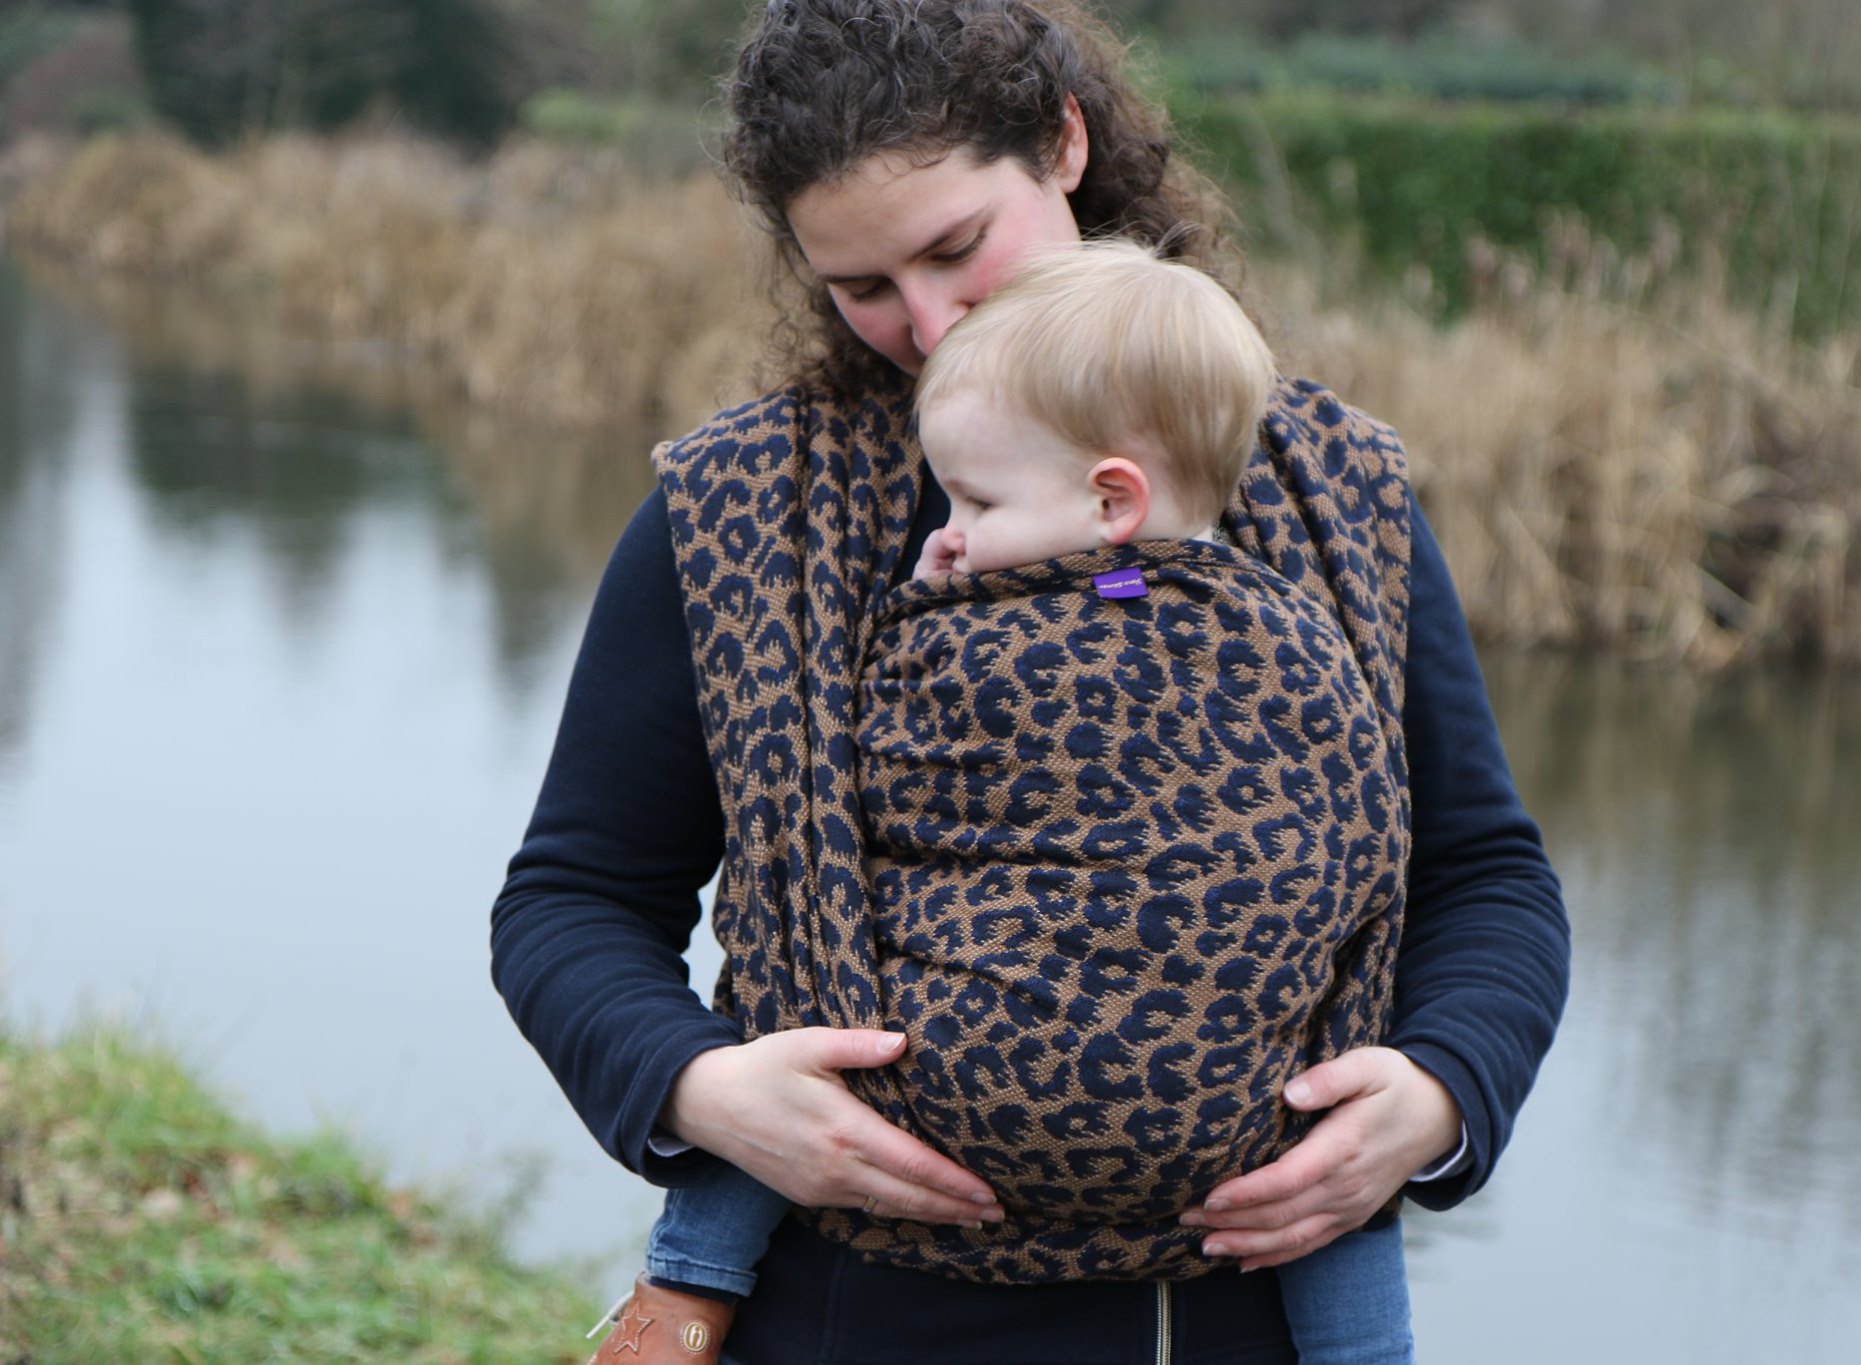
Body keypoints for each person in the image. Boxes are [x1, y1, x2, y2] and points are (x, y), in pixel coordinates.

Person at [490, 3, 1570, 1362]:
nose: (926, 320)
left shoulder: (1324, 487)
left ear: (1063, 143)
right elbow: (572, 900)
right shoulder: (739, 511)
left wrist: (1441, 1089)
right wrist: (698, 1086)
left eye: (955, 248)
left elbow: (1483, 874)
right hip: (854, 1318)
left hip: (1243, 1317)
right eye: (861, 285)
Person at [619, 238, 1433, 1362]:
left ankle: (686, 1285)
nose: (945, 534)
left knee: (789, 980)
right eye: (861, 285)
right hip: (1221, 1143)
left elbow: (838, 806)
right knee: (1328, 1102)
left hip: (925, 1100)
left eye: (974, 501)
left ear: (1110, 499)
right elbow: (1373, 842)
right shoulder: (1311, 627)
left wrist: (1444, 1093)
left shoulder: (976, 633)